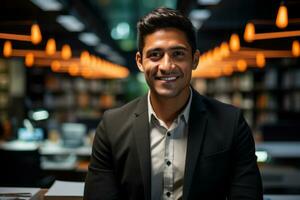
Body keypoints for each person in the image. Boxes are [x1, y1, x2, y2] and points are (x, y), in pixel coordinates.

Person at [84, 7, 263, 200]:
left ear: (194, 59)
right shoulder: (112, 126)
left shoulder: (230, 123)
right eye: (155, 54)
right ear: (139, 61)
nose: (167, 66)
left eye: (178, 54)